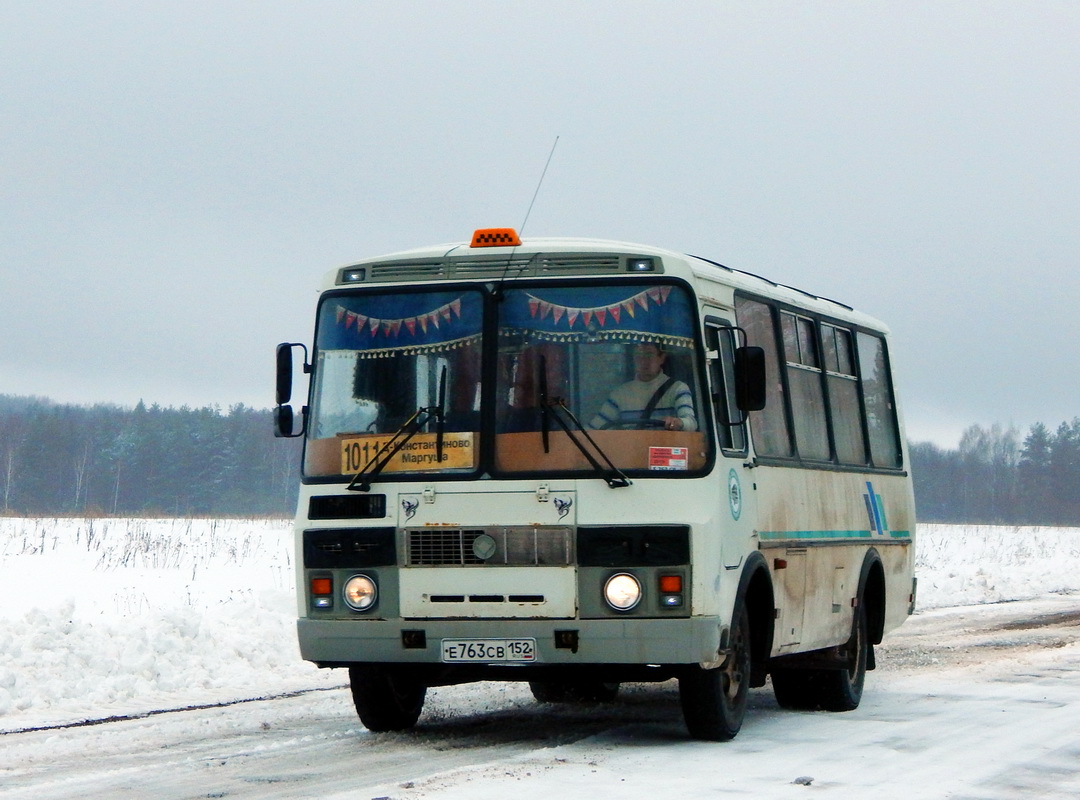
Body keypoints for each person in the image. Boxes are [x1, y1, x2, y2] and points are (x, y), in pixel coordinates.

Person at [589, 342, 697, 431]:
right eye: (639, 355)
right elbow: (595, 428)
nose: (643, 360)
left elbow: (691, 423)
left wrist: (678, 422)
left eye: (649, 354)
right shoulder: (619, 394)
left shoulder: (678, 389)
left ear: (662, 358)